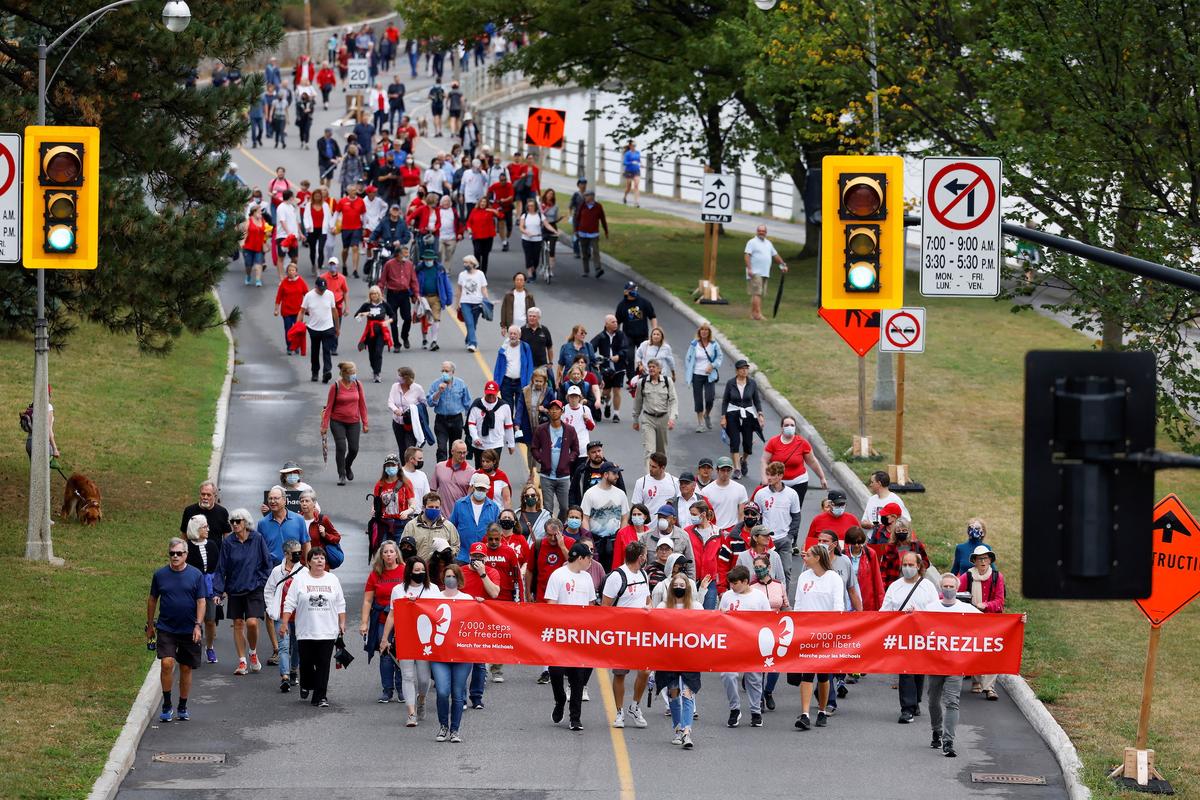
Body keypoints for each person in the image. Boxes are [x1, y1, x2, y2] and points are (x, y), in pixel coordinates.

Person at [146, 538, 206, 723]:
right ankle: (166, 704)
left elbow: (201, 601)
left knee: (186, 667)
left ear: (186, 555)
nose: (175, 556)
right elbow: (152, 599)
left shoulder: (196, 575)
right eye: (172, 553)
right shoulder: (160, 575)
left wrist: (198, 625)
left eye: (179, 553)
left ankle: (182, 705)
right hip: (166, 628)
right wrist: (150, 625)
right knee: (167, 663)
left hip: (189, 629)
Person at [280, 547, 346, 708]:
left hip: (327, 630)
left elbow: (340, 603)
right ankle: (306, 683)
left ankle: (320, 696)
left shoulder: (332, 579)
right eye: (316, 558)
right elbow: (289, 602)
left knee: (323, 664)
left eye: (322, 558)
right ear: (308, 562)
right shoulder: (300, 580)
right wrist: (284, 623)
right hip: (306, 630)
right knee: (307, 663)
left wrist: (342, 623)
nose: (319, 561)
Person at [926, 572, 982, 757]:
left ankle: (948, 741)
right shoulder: (930, 608)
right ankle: (936, 730)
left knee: (952, 702)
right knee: (933, 701)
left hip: (956, 665)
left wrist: (1018, 620)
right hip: (935, 664)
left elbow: (990, 623)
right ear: (940, 588)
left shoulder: (966, 609)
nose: (948, 589)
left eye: (951, 586)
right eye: (945, 586)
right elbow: (915, 625)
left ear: (957, 589)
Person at [791, 544, 846, 730]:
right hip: (807, 632)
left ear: (818, 558)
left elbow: (838, 606)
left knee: (823, 675)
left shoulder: (834, 578)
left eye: (809, 555)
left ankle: (822, 710)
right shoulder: (804, 577)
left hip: (825, 633)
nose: (804, 557)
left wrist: (831, 629)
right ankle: (805, 713)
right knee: (807, 673)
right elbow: (799, 604)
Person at [545, 541, 598, 731]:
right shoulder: (558, 575)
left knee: (578, 676)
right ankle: (560, 700)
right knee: (556, 671)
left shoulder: (587, 578)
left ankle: (575, 717)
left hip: (580, 634)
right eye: (589, 558)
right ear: (581, 558)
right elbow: (551, 603)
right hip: (560, 633)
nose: (591, 562)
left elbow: (591, 604)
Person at [881, 551, 939, 723]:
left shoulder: (928, 587)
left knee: (919, 671)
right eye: (905, 564)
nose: (907, 568)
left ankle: (915, 701)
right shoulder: (895, 586)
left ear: (918, 566)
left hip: (922, 635)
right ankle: (907, 709)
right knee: (905, 671)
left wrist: (918, 614)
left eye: (911, 565)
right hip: (902, 636)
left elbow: (935, 611)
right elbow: (885, 610)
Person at [214, 509, 273, 676]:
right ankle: (242, 661)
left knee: (252, 623)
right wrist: (218, 591)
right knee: (238, 623)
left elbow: (267, 563)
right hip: (235, 588)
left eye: (237, 521)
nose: (234, 524)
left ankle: (252, 652)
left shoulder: (257, 538)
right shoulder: (228, 542)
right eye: (232, 521)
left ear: (246, 522)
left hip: (254, 588)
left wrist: (261, 581)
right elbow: (221, 568)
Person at [378, 557, 435, 725]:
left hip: (425, 640)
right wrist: (384, 639)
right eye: (416, 570)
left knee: (424, 679)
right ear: (409, 572)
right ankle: (411, 713)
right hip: (405, 638)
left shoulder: (433, 589)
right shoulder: (398, 590)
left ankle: (421, 699)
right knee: (408, 676)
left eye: (422, 570)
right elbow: (392, 615)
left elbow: (439, 612)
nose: (420, 573)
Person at [602, 541, 652, 730]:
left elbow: (647, 599)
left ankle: (635, 706)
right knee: (620, 674)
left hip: (641, 633)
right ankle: (619, 711)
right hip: (622, 634)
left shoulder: (643, 574)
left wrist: (649, 608)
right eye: (645, 555)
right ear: (641, 557)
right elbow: (606, 606)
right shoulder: (616, 576)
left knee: (645, 671)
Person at [719, 565, 771, 728]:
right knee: (728, 675)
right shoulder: (727, 596)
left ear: (745, 581)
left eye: (735, 583)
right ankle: (734, 709)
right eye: (730, 583)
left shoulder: (759, 597)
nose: (732, 586)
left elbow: (768, 620)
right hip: (732, 642)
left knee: (754, 678)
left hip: (752, 642)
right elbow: (720, 617)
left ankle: (756, 711)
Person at [657, 570, 702, 749]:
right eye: (675, 585)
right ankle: (677, 729)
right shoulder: (662, 606)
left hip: (690, 657)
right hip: (668, 658)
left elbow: (708, 626)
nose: (678, 588)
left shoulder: (696, 607)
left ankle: (687, 732)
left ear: (688, 588)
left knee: (688, 693)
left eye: (682, 585)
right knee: (674, 693)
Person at [761, 415, 827, 530]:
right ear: (782, 427)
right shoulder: (773, 442)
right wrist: (765, 478)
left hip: (798, 482)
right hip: (778, 483)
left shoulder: (802, 443)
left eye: (792, 425)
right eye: (786, 425)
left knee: (794, 511)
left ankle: (792, 535)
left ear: (795, 427)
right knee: (776, 509)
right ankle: (774, 531)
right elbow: (764, 460)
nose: (789, 427)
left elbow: (812, 461)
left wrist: (822, 477)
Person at [960, 545, 1006, 700]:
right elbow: (955, 591)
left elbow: (1000, 601)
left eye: (985, 558)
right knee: (975, 650)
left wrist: (986, 605)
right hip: (972, 620)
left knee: (991, 652)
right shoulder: (967, 576)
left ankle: (990, 687)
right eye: (979, 559)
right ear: (974, 561)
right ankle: (976, 681)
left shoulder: (997, 577)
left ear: (990, 560)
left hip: (992, 621)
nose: (983, 561)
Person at [751, 462, 802, 581]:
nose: (769, 478)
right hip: (766, 539)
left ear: (780, 476)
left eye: (772, 475)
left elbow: (796, 517)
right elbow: (756, 516)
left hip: (784, 539)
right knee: (765, 570)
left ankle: (784, 593)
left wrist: (790, 536)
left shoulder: (792, 494)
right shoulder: (761, 493)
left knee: (786, 570)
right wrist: (760, 535)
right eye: (767, 474)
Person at [265, 540, 304, 692]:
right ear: (286, 554)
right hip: (282, 616)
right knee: (283, 646)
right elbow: (268, 590)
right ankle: (285, 677)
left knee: (297, 646)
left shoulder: (304, 571)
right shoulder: (277, 572)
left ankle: (294, 670)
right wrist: (271, 609)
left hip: (298, 616)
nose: (298, 555)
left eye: (300, 552)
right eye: (295, 553)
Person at [320, 361, 368, 485]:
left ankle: (347, 465)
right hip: (337, 422)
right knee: (341, 447)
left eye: (355, 372)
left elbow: (362, 404)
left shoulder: (358, 385)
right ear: (344, 373)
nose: (354, 375)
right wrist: (324, 425)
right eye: (351, 373)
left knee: (354, 449)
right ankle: (341, 475)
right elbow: (329, 407)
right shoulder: (335, 387)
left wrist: (365, 422)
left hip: (354, 422)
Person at [532, 399, 579, 519]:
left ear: (562, 412)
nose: (554, 411)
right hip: (546, 476)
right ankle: (549, 528)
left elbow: (575, 449)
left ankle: (559, 525)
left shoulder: (569, 430)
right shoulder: (541, 429)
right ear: (548, 412)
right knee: (548, 508)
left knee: (565, 508)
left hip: (563, 476)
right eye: (551, 409)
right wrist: (541, 459)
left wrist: (569, 459)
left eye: (557, 409)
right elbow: (534, 448)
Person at [184, 515, 221, 664]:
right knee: (193, 619)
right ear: (196, 529)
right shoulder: (187, 547)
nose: (208, 529)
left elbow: (218, 567)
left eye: (207, 526)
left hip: (209, 587)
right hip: (192, 587)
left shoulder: (212, 545)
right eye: (204, 527)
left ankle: (210, 647)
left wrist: (219, 588)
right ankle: (194, 647)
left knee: (210, 620)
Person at [720, 359, 764, 479]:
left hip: (748, 414)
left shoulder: (752, 383)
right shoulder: (731, 383)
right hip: (732, 413)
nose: (745, 371)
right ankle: (737, 469)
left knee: (748, 444)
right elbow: (725, 401)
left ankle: (743, 460)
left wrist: (760, 414)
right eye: (742, 369)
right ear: (737, 370)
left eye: (746, 368)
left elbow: (756, 400)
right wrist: (723, 417)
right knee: (735, 442)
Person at [581, 461, 630, 569]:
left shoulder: (621, 494)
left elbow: (625, 517)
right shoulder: (590, 493)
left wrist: (620, 537)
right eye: (614, 473)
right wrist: (588, 539)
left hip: (614, 540)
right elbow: (584, 518)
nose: (617, 476)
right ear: (606, 474)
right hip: (596, 540)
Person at [632, 359, 677, 462]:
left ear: (659, 369)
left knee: (661, 452)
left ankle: (660, 471)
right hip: (648, 419)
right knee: (649, 450)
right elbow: (637, 402)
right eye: (650, 367)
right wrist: (635, 420)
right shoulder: (642, 382)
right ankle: (649, 472)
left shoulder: (667, 381)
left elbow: (673, 401)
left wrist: (672, 418)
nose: (651, 369)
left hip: (663, 418)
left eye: (654, 367)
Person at [376, 241, 419, 351]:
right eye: (404, 253)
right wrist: (379, 293)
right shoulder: (389, 264)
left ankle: (405, 336)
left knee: (407, 318)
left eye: (407, 253)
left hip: (404, 294)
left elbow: (413, 280)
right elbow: (382, 280)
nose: (406, 255)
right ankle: (396, 344)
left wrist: (416, 294)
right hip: (392, 294)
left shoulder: (409, 265)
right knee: (393, 320)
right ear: (398, 254)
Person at [450, 472, 501, 559]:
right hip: (462, 556)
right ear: (473, 487)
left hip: (485, 556)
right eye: (478, 488)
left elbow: (498, 532)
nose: (480, 491)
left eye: (483, 489)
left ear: (488, 490)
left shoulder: (494, 508)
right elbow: (451, 527)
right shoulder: (460, 504)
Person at [428, 362, 472, 461]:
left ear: (453, 372)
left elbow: (467, 402)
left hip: (456, 419)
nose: (444, 373)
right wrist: (439, 392)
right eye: (442, 371)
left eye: (447, 371)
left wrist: (470, 421)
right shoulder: (436, 384)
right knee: (441, 447)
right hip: (441, 420)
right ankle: (441, 467)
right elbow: (430, 402)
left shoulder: (461, 384)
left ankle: (453, 467)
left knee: (455, 448)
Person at [743, 224, 788, 321]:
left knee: (757, 294)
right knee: (757, 293)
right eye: (759, 231)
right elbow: (747, 255)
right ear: (756, 231)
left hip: (765, 272)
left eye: (763, 231)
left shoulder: (768, 243)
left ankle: (753, 314)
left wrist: (782, 265)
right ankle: (758, 314)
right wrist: (749, 269)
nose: (761, 232)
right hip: (755, 272)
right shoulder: (752, 242)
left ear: (766, 233)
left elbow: (775, 255)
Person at [466, 380, 516, 466]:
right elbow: (471, 424)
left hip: (496, 444)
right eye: (489, 394)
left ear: (497, 393)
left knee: (493, 469)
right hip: (480, 445)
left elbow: (509, 426)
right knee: (480, 469)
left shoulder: (504, 407)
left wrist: (511, 444)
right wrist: (475, 438)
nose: (491, 396)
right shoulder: (477, 405)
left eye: (493, 394)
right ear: (485, 392)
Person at [591, 314, 629, 422]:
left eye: (616, 321)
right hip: (606, 369)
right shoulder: (601, 336)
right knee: (606, 392)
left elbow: (626, 349)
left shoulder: (621, 335)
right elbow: (591, 347)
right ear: (606, 324)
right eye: (613, 322)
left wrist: (619, 356)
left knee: (617, 390)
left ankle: (616, 414)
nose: (616, 324)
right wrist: (595, 358)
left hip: (619, 368)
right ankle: (608, 404)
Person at [301, 277, 339, 383]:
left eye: (324, 289)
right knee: (315, 351)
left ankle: (327, 372)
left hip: (328, 327)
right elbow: (302, 311)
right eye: (320, 289)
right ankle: (315, 372)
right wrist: (298, 325)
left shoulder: (330, 294)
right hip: (314, 328)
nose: (322, 291)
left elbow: (334, 311)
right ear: (316, 286)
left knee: (327, 350)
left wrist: (337, 327)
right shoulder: (309, 296)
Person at [387, 365, 431, 455]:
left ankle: (411, 463)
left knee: (409, 448)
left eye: (400, 375)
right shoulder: (395, 387)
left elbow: (424, 404)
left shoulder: (417, 388)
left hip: (411, 423)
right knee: (402, 448)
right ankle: (404, 464)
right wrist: (395, 410)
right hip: (398, 423)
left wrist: (413, 410)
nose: (397, 377)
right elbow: (390, 402)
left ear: (406, 378)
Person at [353, 286, 393, 382]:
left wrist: (388, 321)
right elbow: (356, 316)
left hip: (381, 332)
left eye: (376, 293)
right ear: (370, 295)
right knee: (372, 354)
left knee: (378, 352)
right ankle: (374, 369)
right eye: (372, 294)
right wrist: (364, 314)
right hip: (370, 332)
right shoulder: (367, 305)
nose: (374, 295)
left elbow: (393, 315)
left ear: (379, 294)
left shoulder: (384, 304)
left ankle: (377, 373)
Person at [493, 324, 534, 415]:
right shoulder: (504, 348)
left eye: (515, 334)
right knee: (507, 407)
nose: (512, 336)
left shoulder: (525, 347)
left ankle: (518, 423)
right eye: (511, 333)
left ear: (519, 335)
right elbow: (498, 366)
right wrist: (496, 382)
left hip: (521, 382)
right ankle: (509, 423)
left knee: (520, 407)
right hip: (506, 382)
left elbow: (530, 366)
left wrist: (529, 383)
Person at [179, 480, 233, 550]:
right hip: (193, 553)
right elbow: (184, 535)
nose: (205, 497)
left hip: (215, 554)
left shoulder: (222, 512)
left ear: (215, 496)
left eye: (208, 495)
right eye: (203, 494)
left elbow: (227, 537)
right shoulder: (189, 511)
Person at [699, 456, 748, 531]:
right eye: (723, 470)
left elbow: (742, 513)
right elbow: (704, 514)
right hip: (714, 530)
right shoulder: (706, 491)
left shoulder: (740, 489)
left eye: (728, 470)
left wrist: (739, 531)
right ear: (717, 470)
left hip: (732, 530)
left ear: (732, 470)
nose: (725, 473)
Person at [454, 255, 490, 353]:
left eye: (467, 263)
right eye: (464, 262)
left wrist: (487, 301)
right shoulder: (462, 275)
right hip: (465, 302)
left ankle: (468, 339)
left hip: (477, 302)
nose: (465, 264)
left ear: (473, 263)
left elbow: (484, 288)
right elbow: (459, 289)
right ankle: (473, 343)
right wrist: (457, 303)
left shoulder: (480, 274)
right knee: (469, 322)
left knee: (473, 324)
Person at [845, 526, 885, 611]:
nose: (857, 545)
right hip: (848, 601)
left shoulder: (870, 554)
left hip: (867, 602)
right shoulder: (843, 555)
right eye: (854, 542)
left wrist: (881, 605)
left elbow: (877, 580)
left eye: (859, 542)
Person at [629, 452, 680, 519]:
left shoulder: (675, 482)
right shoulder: (641, 482)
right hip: (648, 524)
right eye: (650, 465)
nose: (650, 469)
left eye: (654, 467)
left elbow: (680, 504)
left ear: (662, 468)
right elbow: (635, 507)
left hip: (667, 524)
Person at [518, 197, 555, 281]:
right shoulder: (524, 216)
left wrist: (554, 231)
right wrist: (526, 232)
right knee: (528, 257)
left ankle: (533, 269)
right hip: (526, 239)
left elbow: (547, 225)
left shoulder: (540, 215)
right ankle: (530, 274)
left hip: (537, 239)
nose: (530, 207)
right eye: (529, 206)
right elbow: (521, 227)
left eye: (532, 205)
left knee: (536, 258)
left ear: (535, 206)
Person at [573, 189, 608, 277]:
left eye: (586, 195)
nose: (585, 197)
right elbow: (577, 218)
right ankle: (586, 271)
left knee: (596, 251)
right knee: (584, 253)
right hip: (582, 233)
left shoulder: (598, 206)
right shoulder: (582, 206)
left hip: (594, 233)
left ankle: (598, 269)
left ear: (592, 196)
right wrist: (576, 230)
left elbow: (603, 219)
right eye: (584, 196)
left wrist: (606, 230)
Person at [614, 282, 657, 350]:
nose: (633, 291)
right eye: (631, 289)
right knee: (629, 355)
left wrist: (655, 331)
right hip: (628, 337)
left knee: (644, 355)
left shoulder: (644, 302)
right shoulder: (622, 305)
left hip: (643, 336)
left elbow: (652, 317)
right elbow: (617, 322)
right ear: (626, 292)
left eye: (634, 289)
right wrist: (617, 337)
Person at [432, 439, 474, 510]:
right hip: (442, 515)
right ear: (452, 452)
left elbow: (471, 497)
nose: (462, 455)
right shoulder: (439, 467)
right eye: (459, 452)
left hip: (460, 514)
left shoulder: (472, 472)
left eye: (464, 452)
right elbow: (432, 490)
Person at [500, 272, 536, 337]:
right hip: (512, 326)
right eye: (517, 280)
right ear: (514, 281)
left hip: (525, 326)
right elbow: (504, 311)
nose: (519, 281)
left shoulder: (529, 296)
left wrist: (534, 326)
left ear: (524, 282)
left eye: (521, 280)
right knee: (513, 342)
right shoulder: (508, 295)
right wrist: (503, 326)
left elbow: (534, 312)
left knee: (524, 342)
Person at [240, 205, 269, 286]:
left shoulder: (263, 220)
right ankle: (248, 275)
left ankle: (258, 280)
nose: (261, 213)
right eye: (259, 211)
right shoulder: (249, 220)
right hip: (248, 246)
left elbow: (267, 231)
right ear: (254, 212)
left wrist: (268, 233)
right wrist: (242, 241)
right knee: (248, 265)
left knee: (258, 264)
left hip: (259, 247)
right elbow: (245, 232)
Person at [621, 140, 642, 206]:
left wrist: (641, 164)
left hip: (636, 171)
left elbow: (639, 160)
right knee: (628, 187)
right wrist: (631, 162)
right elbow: (625, 162)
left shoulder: (637, 153)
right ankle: (625, 197)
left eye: (635, 146)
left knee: (636, 185)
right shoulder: (627, 154)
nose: (634, 147)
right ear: (630, 146)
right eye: (633, 146)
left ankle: (636, 202)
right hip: (629, 171)